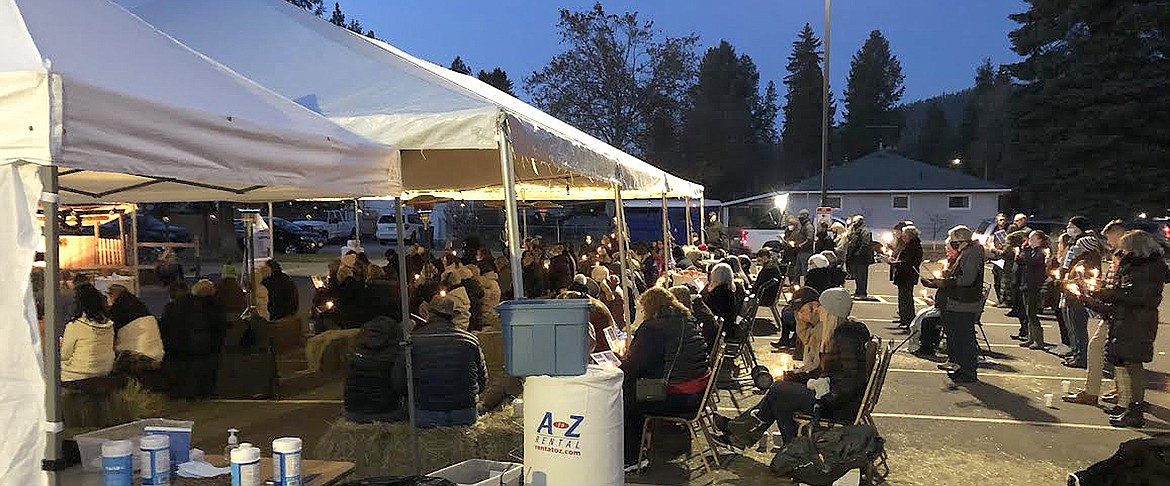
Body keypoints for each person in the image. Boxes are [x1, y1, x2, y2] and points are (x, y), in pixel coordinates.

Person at [725, 287, 871, 446]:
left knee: (779, 390)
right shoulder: (838, 333)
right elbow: (825, 372)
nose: (818, 309)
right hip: (832, 395)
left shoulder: (846, 337)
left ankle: (740, 431)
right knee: (780, 398)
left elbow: (853, 378)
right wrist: (794, 377)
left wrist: (828, 398)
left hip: (838, 404)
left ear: (831, 311)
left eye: (821, 306)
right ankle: (783, 446)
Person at [1074, 230, 1168, 427]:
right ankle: (1131, 409)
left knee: (1133, 365)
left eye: (1125, 248)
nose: (1122, 252)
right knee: (1128, 363)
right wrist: (1094, 298)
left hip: (1137, 322)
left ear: (1135, 247)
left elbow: (1135, 296)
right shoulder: (1137, 267)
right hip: (1129, 319)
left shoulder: (1146, 269)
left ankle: (1135, 410)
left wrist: (1104, 294)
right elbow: (1123, 298)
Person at [620, 287, 711, 467]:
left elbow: (634, 366)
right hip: (696, 392)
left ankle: (632, 458)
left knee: (625, 397)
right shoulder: (686, 321)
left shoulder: (653, 327)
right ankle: (643, 444)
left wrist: (614, 373)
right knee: (634, 389)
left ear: (649, 308)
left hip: (677, 396)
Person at [1064, 220, 1128, 406]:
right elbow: (1113, 284)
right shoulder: (1120, 256)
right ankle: (1095, 391)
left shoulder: (1129, 259)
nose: (1108, 242)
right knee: (1098, 348)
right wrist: (1097, 290)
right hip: (1112, 312)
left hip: (1121, 314)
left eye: (1109, 238)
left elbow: (1124, 289)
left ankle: (1122, 394)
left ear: (1119, 235)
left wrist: (1098, 293)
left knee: (1115, 353)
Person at [411, 294, 488, 428]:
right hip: (465, 412)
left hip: (427, 411)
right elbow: (482, 381)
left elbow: (400, 382)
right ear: (452, 316)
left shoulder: (413, 340)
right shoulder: (470, 340)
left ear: (429, 314)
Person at [921, 226, 986, 383]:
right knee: (957, 337)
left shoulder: (972, 253)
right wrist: (937, 282)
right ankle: (960, 366)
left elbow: (967, 279)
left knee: (964, 338)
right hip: (956, 300)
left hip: (963, 302)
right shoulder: (966, 252)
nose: (951, 243)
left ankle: (968, 371)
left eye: (953, 240)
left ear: (961, 240)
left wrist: (944, 282)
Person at [159, 279, 228, 398]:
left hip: (179, 352)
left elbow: (166, 329)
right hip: (204, 350)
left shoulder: (172, 308)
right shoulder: (212, 307)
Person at [344, 315, 408, 423]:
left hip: (352, 412)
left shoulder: (354, 352)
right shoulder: (396, 354)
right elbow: (400, 385)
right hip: (384, 412)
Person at [1059, 216, 1103, 368]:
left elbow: (1085, 278)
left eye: (1071, 226)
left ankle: (1081, 356)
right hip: (1071, 293)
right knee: (1072, 325)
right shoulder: (1078, 256)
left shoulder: (1088, 258)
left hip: (1079, 296)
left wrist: (1070, 283)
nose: (1075, 248)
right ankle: (1076, 352)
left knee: (1078, 327)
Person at [60, 285, 116, 382]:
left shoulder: (75, 326)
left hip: (76, 375)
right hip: (104, 372)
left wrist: (61, 344)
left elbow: (64, 355)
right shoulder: (109, 325)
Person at [106, 285, 165, 373]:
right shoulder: (140, 305)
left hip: (137, 355)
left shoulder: (118, 308)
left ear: (112, 295)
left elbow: (110, 333)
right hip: (157, 353)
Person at [1016, 230, 1050, 350]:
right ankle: (1031, 337)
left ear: (1039, 240)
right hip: (1027, 283)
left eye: (1032, 239)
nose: (1029, 241)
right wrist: (1022, 251)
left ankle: (1038, 340)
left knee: (1032, 313)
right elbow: (1020, 261)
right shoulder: (1031, 250)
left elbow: (1031, 261)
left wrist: (1023, 251)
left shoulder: (1042, 251)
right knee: (1028, 313)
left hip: (1034, 286)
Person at [892, 226, 924, 329]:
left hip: (907, 275)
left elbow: (908, 262)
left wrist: (895, 263)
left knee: (906, 298)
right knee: (903, 297)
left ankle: (908, 320)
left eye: (904, 235)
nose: (902, 237)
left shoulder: (912, 246)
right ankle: (904, 318)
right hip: (905, 275)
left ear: (909, 236)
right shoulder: (910, 245)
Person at [844, 216, 876, 301]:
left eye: (855, 222)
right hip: (856, 258)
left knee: (862, 276)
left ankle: (862, 293)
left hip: (862, 259)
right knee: (858, 276)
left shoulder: (865, 231)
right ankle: (858, 291)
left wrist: (858, 253)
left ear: (860, 222)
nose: (853, 224)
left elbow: (866, 244)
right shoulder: (857, 231)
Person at [988, 213, 1011, 306]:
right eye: (1000, 220)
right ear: (996, 221)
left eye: (1004, 220)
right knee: (996, 280)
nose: (1003, 222)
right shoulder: (995, 229)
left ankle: (1005, 300)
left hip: (1005, 258)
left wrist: (995, 249)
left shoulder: (1008, 230)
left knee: (1004, 281)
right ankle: (999, 299)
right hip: (996, 258)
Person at [793, 209, 816, 284]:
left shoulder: (809, 226)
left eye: (801, 218)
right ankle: (796, 285)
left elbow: (810, 239)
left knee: (805, 270)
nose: (800, 219)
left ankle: (807, 285)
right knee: (797, 270)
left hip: (806, 252)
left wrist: (800, 245)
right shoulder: (803, 226)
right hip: (800, 251)